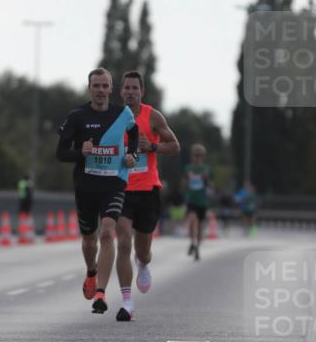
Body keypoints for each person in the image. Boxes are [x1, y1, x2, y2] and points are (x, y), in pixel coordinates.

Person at [56, 67, 138, 315]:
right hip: (86, 185)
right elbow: (60, 153)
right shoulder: (77, 116)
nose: (101, 91)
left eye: (105, 86)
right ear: (89, 88)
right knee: (89, 240)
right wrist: (80, 152)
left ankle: (101, 293)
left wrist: (132, 153)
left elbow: (133, 131)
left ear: (111, 89)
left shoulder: (122, 113)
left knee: (107, 232)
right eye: (96, 86)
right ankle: (91, 271)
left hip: (114, 183)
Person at [116, 70, 180, 320]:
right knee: (122, 243)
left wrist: (152, 146)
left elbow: (175, 146)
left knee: (142, 251)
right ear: (121, 92)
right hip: (120, 189)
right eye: (126, 88)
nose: (130, 92)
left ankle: (143, 263)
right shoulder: (113, 117)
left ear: (141, 92)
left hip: (147, 190)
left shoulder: (153, 117)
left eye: (135, 88)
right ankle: (127, 302)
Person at [183, 144, 211, 260]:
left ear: (202, 157)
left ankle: (197, 247)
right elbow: (183, 184)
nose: (197, 157)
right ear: (192, 156)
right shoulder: (188, 168)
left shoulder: (206, 169)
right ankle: (193, 242)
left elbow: (211, 186)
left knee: (199, 227)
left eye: (199, 155)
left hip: (202, 201)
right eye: (195, 155)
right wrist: (188, 179)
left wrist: (205, 180)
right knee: (192, 219)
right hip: (191, 200)